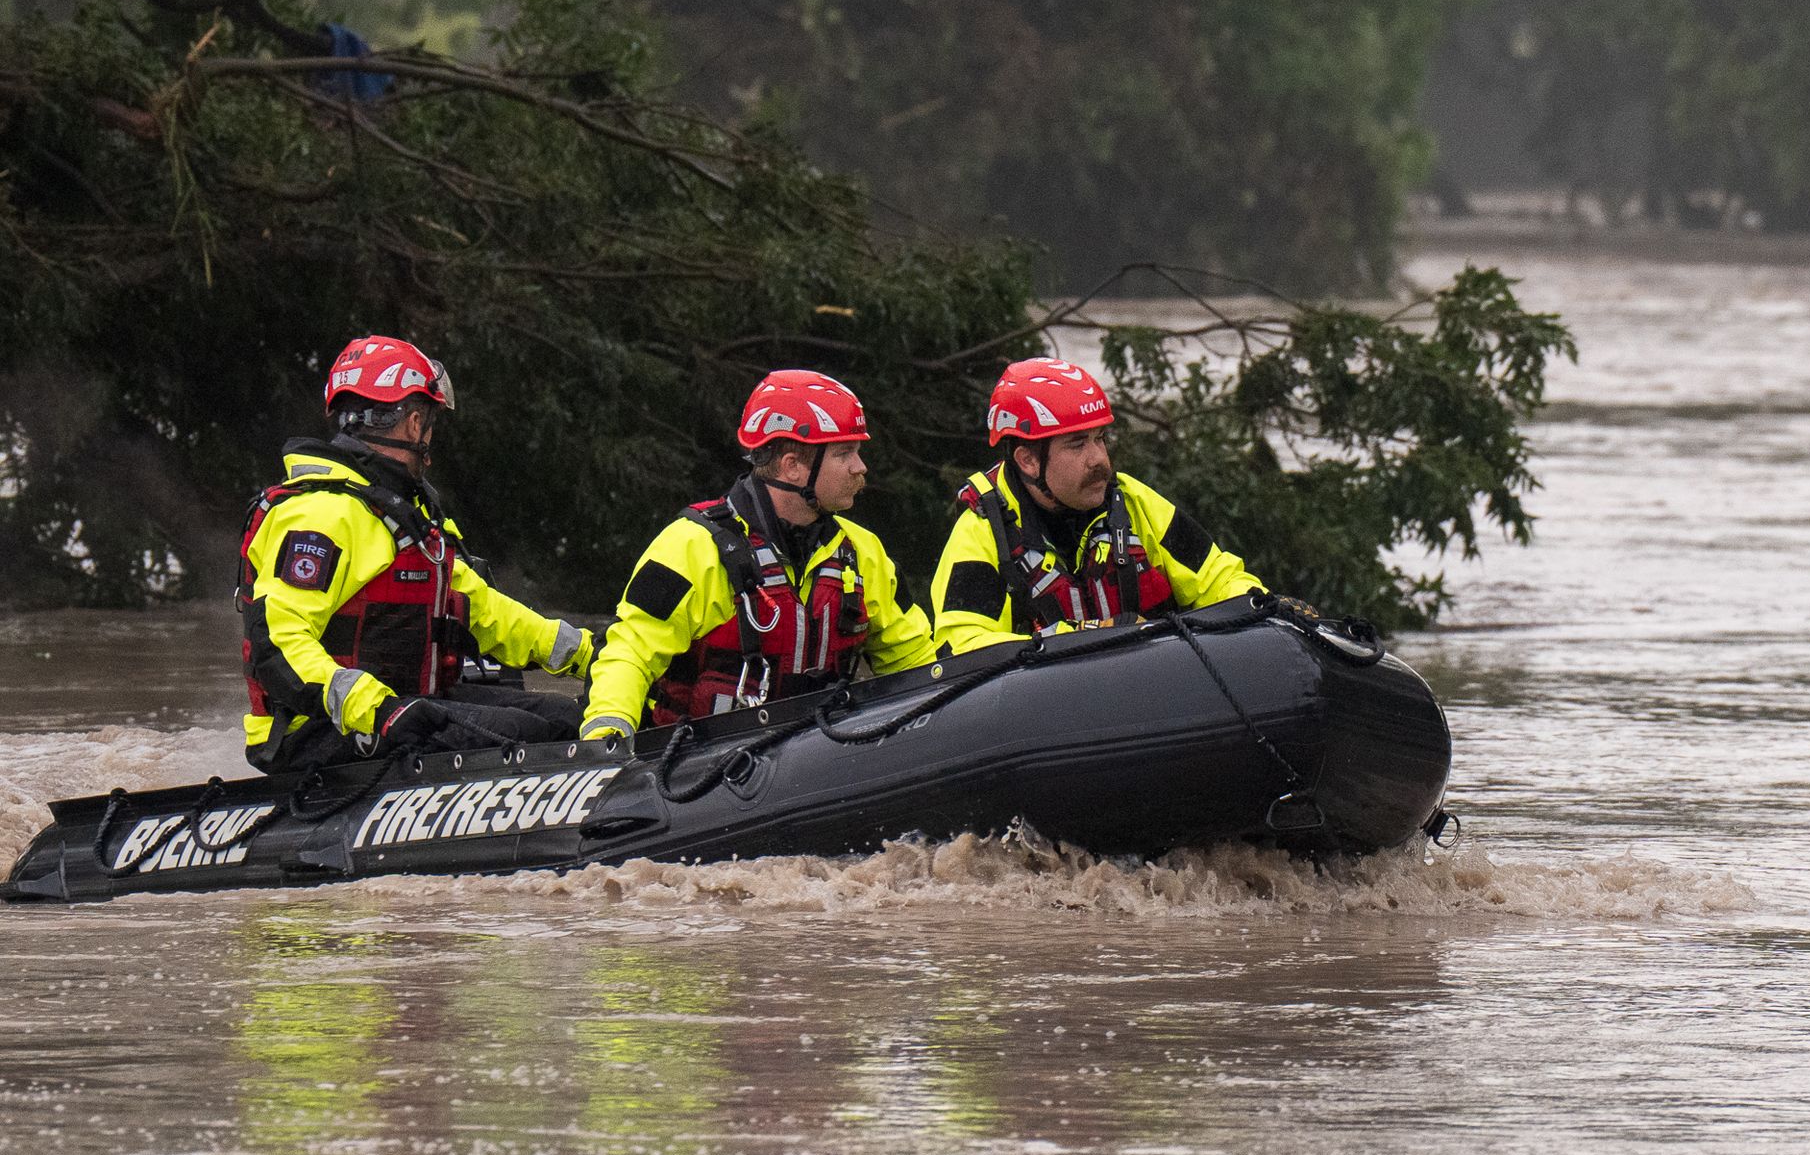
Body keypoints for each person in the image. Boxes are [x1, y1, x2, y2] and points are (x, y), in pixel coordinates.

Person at [237, 336, 593, 772]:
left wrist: (591, 654)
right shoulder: (322, 513)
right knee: (532, 734)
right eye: (429, 423)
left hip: (401, 707)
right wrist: (378, 710)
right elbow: (278, 641)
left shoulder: (401, 514)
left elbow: (483, 611)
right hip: (321, 730)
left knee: (568, 718)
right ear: (413, 424)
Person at [580, 369, 936, 741]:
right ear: (792, 466)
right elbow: (630, 652)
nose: (860, 467)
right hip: (694, 757)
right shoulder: (692, 546)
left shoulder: (863, 552)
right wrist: (607, 733)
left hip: (821, 753)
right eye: (844, 453)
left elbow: (915, 660)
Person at [930, 357, 1262, 655]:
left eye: (1100, 438)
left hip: (1154, 687)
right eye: (1077, 445)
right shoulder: (983, 532)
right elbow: (964, 646)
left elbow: (1219, 579)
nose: (1099, 459)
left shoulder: (1133, 502)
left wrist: (1259, 603)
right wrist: (1083, 636)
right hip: (1048, 701)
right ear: (1028, 460)